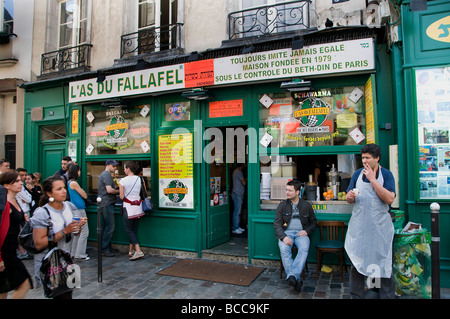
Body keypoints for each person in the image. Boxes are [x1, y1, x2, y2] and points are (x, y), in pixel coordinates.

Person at [345, 143, 396, 299]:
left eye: (368, 158)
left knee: (381, 262)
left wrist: (373, 180)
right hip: (360, 228)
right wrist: (349, 197)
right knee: (357, 262)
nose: (364, 161)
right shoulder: (357, 174)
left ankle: (379, 294)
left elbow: (389, 199)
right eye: (363, 158)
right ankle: (356, 295)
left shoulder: (386, 175)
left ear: (377, 158)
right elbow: (348, 197)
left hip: (380, 229)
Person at [31, 176, 86, 299]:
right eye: (59, 189)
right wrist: (65, 231)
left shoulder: (69, 206)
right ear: (49, 193)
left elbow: (75, 234)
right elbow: (39, 243)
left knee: (67, 294)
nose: (64, 191)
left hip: (66, 260)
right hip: (49, 264)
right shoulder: (42, 213)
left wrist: (78, 226)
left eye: (64, 188)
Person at [274, 179, 317, 292]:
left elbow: (313, 222)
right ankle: (295, 278)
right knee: (284, 248)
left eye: (290, 190)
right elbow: (277, 224)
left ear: (298, 192)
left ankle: (292, 276)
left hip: (301, 234)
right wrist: (283, 237)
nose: (287, 192)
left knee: (304, 248)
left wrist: (306, 231)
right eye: (286, 190)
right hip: (286, 233)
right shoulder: (282, 205)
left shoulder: (306, 205)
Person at [0, 170, 33, 299]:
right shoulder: (4, 205)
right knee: (24, 284)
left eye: (21, 180)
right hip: (5, 252)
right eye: (17, 181)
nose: (21, 183)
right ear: (7, 185)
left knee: (3, 288)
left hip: (11, 250)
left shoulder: (15, 200)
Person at [119, 161, 145, 261]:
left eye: (125, 168)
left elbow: (121, 196)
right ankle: (131, 250)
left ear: (128, 168)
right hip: (138, 207)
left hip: (128, 207)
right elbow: (143, 192)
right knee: (134, 229)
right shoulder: (140, 179)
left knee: (129, 230)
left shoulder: (122, 181)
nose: (124, 170)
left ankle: (138, 251)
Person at [67, 164, 89, 261]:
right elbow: (84, 195)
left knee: (77, 232)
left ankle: (74, 253)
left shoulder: (70, 183)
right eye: (79, 171)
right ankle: (80, 254)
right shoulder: (74, 183)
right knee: (84, 231)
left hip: (75, 209)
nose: (80, 173)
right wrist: (83, 191)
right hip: (78, 209)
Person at [97, 159, 120, 257]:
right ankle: (105, 249)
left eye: (115, 166)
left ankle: (106, 247)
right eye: (113, 166)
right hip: (107, 203)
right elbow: (109, 190)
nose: (115, 168)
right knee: (110, 227)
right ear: (108, 165)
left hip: (104, 203)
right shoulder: (106, 175)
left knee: (106, 226)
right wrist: (120, 192)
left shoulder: (105, 174)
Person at [231, 163, 246, 234]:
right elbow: (244, 183)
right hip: (237, 194)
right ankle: (235, 228)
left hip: (237, 193)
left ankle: (237, 226)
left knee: (237, 210)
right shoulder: (239, 172)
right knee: (237, 211)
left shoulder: (235, 171)